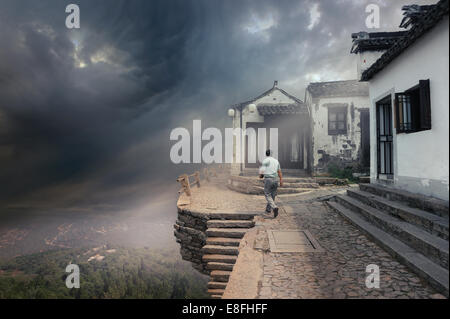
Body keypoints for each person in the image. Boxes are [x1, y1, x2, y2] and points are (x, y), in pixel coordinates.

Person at [259, 149, 283, 218]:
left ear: (266, 154)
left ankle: (274, 207)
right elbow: (279, 171)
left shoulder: (265, 161)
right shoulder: (276, 161)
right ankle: (268, 210)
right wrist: (281, 180)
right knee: (272, 195)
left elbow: (262, 171)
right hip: (275, 179)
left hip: (268, 179)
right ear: (272, 154)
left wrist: (260, 176)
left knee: (267, 194)